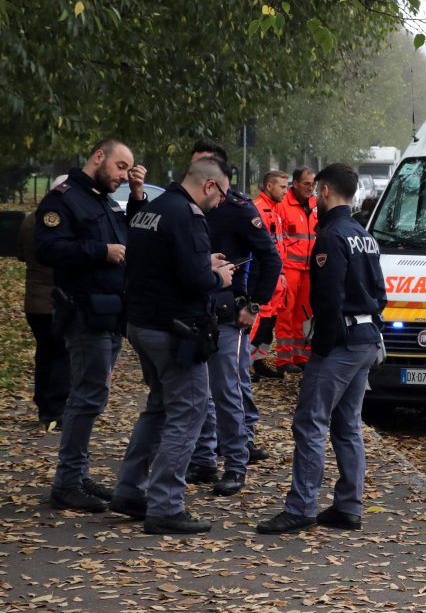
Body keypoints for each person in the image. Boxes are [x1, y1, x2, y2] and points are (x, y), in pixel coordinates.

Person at [108, 156, 236, 534]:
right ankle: (165, 506)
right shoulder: (189, 215)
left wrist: (202, 264)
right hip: (174, 331)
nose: (221, 203)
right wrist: (219, 278)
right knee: (190, 412)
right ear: (209, 186)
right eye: (222, 195)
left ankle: (130, 490)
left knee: (159, 409)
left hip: (142, 324)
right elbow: (195, 280)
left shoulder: (156, 207)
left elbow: (158, 263)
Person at [257, 163, 386, 535]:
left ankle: (301, 507)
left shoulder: (330, 236)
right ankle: (348, 505)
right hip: (364, 340)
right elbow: (381, 294)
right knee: (347, 425)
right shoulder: (365, 235)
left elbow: (327, 299)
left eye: (317, 190)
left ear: (326, 191)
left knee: (310, 422)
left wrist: (322, 348)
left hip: (340, 343)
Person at [36, 140, 147, 512]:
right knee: (87, 397)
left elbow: (132, 236)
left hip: (109, 313)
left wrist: (136, 195)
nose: (122, 175)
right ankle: (67, 482)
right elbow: (47, 249)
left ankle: (77, 475)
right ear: (98, 157)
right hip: (84, 313)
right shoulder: (63, 198)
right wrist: (100, 251)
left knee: (90, 396)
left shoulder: (105, 198)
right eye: (120, 167)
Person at [186, 142, 282, 496]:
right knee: (198, 392)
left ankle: (236, 465)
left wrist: (253, 305)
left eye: (205, 168)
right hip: (192, 311)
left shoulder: (240, 209)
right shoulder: (185, 204)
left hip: (229, 314)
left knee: (227, 391)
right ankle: (204, 459)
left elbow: (271, 259)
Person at [18, 175, 71, 431]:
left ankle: (44, 405)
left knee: (45, 352)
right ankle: (56, 408)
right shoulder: (61, 221)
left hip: (33, 299)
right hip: (56, 298)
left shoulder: (29, 219)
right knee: (62, 353)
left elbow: (20, 253)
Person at [274, 167, 318, 373]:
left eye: (313, 184)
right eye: (307, 184)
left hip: (309, 269)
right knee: (286, 312)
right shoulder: (283, 205)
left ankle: (301, 355)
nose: (311, 188)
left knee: (306, 313)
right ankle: (283, 359)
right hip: (290, 267)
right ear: (296, 183)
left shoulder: (315, 204)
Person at [249, 170, 290, 381]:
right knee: (257, 323)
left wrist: (281, 273)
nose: (286, 191)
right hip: (265, 278)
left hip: (275, 277)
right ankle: (244, 364)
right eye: (283, 187)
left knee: (268, 324)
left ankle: (258, 360)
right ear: (269, 186)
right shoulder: (258, 210)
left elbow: (277, 247)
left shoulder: (274, 211)